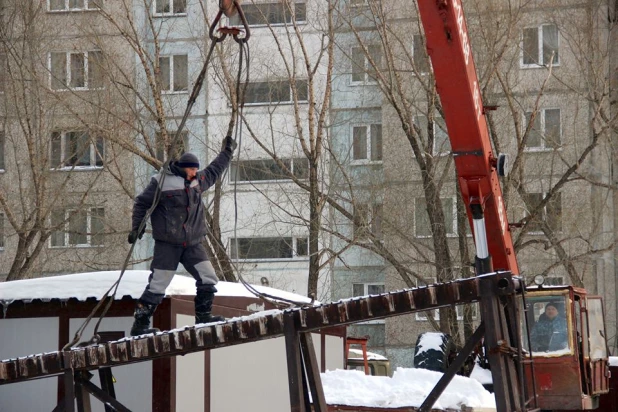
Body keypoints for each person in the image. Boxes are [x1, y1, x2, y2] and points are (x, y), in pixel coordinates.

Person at [128, 136, 236, 336]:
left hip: (193, 244)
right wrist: (137, 227)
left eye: (196, 169)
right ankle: (140, 325)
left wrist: (227, 152)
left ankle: (203, 316)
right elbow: (142, 203)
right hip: (168, 244)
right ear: (183, 167)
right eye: (192, 169)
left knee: (208, 277)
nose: (195, 173)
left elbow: (215, 169)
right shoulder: (161, 181)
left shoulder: (197, 181)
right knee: (159, 283)